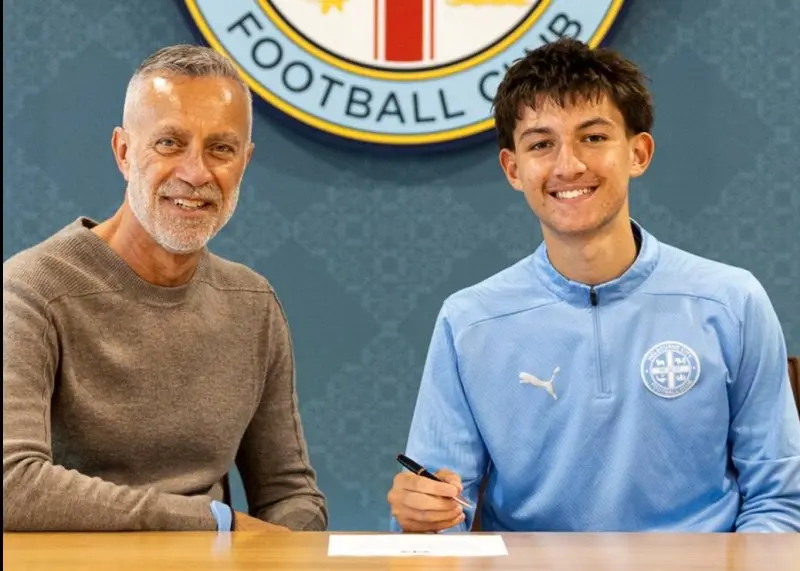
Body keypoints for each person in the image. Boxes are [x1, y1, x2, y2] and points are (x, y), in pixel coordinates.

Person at [387, 38, 800, 533]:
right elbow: (441, 517)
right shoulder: (468, 321)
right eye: (541, 144)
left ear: (638, 153)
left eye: (594, 137)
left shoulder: (732, 302)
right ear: (513, 169)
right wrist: (423, 516)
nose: (569, 166)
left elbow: (781, 501)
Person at [3, 44, 327, 532]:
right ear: (123, 152)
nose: (196, 173)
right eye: (170, 143)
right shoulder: (31, 291)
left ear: (244, 161)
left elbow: (290, 493)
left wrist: (290, 544)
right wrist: (212, 524)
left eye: (221, 149)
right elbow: (12, 484)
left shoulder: (253, 304)